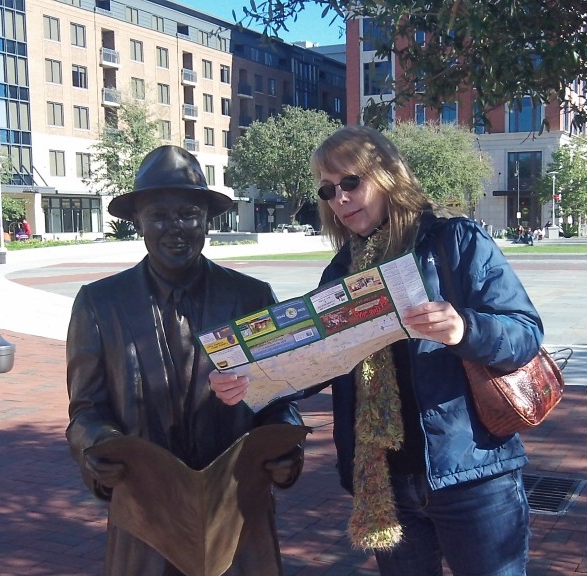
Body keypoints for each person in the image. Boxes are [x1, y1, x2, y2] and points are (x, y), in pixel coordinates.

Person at [211, 126, 544, 576]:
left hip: (472, 472)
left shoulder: (454, 241)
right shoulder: (341, 270)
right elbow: (319, 361)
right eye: (328, 190)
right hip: (385, 484)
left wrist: (463, 328)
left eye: (351, 182)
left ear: (388, 175)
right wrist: (251, 381)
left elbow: (524, 334)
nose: (339, 198)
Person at [66, 145, 306, 576]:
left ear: (206, 220)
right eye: (159, 215)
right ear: (138, 221)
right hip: (145, 520)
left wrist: (286, 442)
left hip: (235, 518)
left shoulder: (251, 298)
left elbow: (277, 397)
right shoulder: (99, 304)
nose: (175, 228)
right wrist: (96, 448)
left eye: (188, 214)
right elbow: (86, 409)